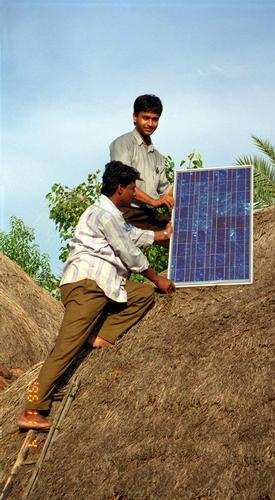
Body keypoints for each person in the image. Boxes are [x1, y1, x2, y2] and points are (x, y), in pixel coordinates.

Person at [17, 161, 175, 431]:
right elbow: (129, 251)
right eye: (133, 189)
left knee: (142, 295)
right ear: (120, 188)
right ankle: (32, 408)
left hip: (105, 285)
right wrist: (158, 278)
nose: (135, 194)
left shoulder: (111, 214)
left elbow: (134, 234)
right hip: (88, 285)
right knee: (65, 347)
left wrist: (164, 234)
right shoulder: (105, 215)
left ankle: (99, 334)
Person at [109, 94, 174, 238]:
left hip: (149, 214)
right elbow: (124, 182)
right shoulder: (123, 143)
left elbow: (167, 189)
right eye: (146, 118)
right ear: (135, 117)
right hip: (127, 211)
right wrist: (154, 202)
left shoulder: (157, 157)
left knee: (183, 231)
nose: (150, 124)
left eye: (155, 119)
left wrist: (196, 190)